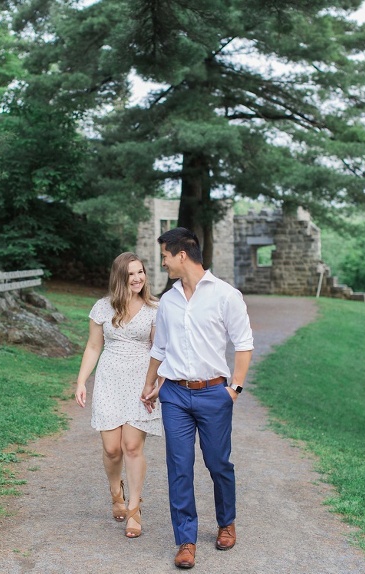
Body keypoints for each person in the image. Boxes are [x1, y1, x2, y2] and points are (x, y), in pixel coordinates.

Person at [139, 227, 254, 570]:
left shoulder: (226, 295)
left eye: (165, 256)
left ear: (181, 255)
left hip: (213, 393)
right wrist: (150, 385)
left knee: (218, 463)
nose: (163, 263)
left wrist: (234, 390)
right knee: (179, 467)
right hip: (174, 393)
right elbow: (160, 348)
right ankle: (185, 540)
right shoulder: (169, 300)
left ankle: (226, 522)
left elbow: (244, 343)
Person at [75, 252, 161, 539]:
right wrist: (81, 381)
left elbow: (159, 351)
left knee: (132, 446)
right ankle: (116, 491)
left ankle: (134, 510)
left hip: (140, 381)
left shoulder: (154, 309)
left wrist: (155, 384)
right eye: (131, 274)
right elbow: (93, 347)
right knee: (112, 448)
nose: (137, 278)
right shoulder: (102, 308)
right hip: (109, 379)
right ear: (120, 278)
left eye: (141, 272)